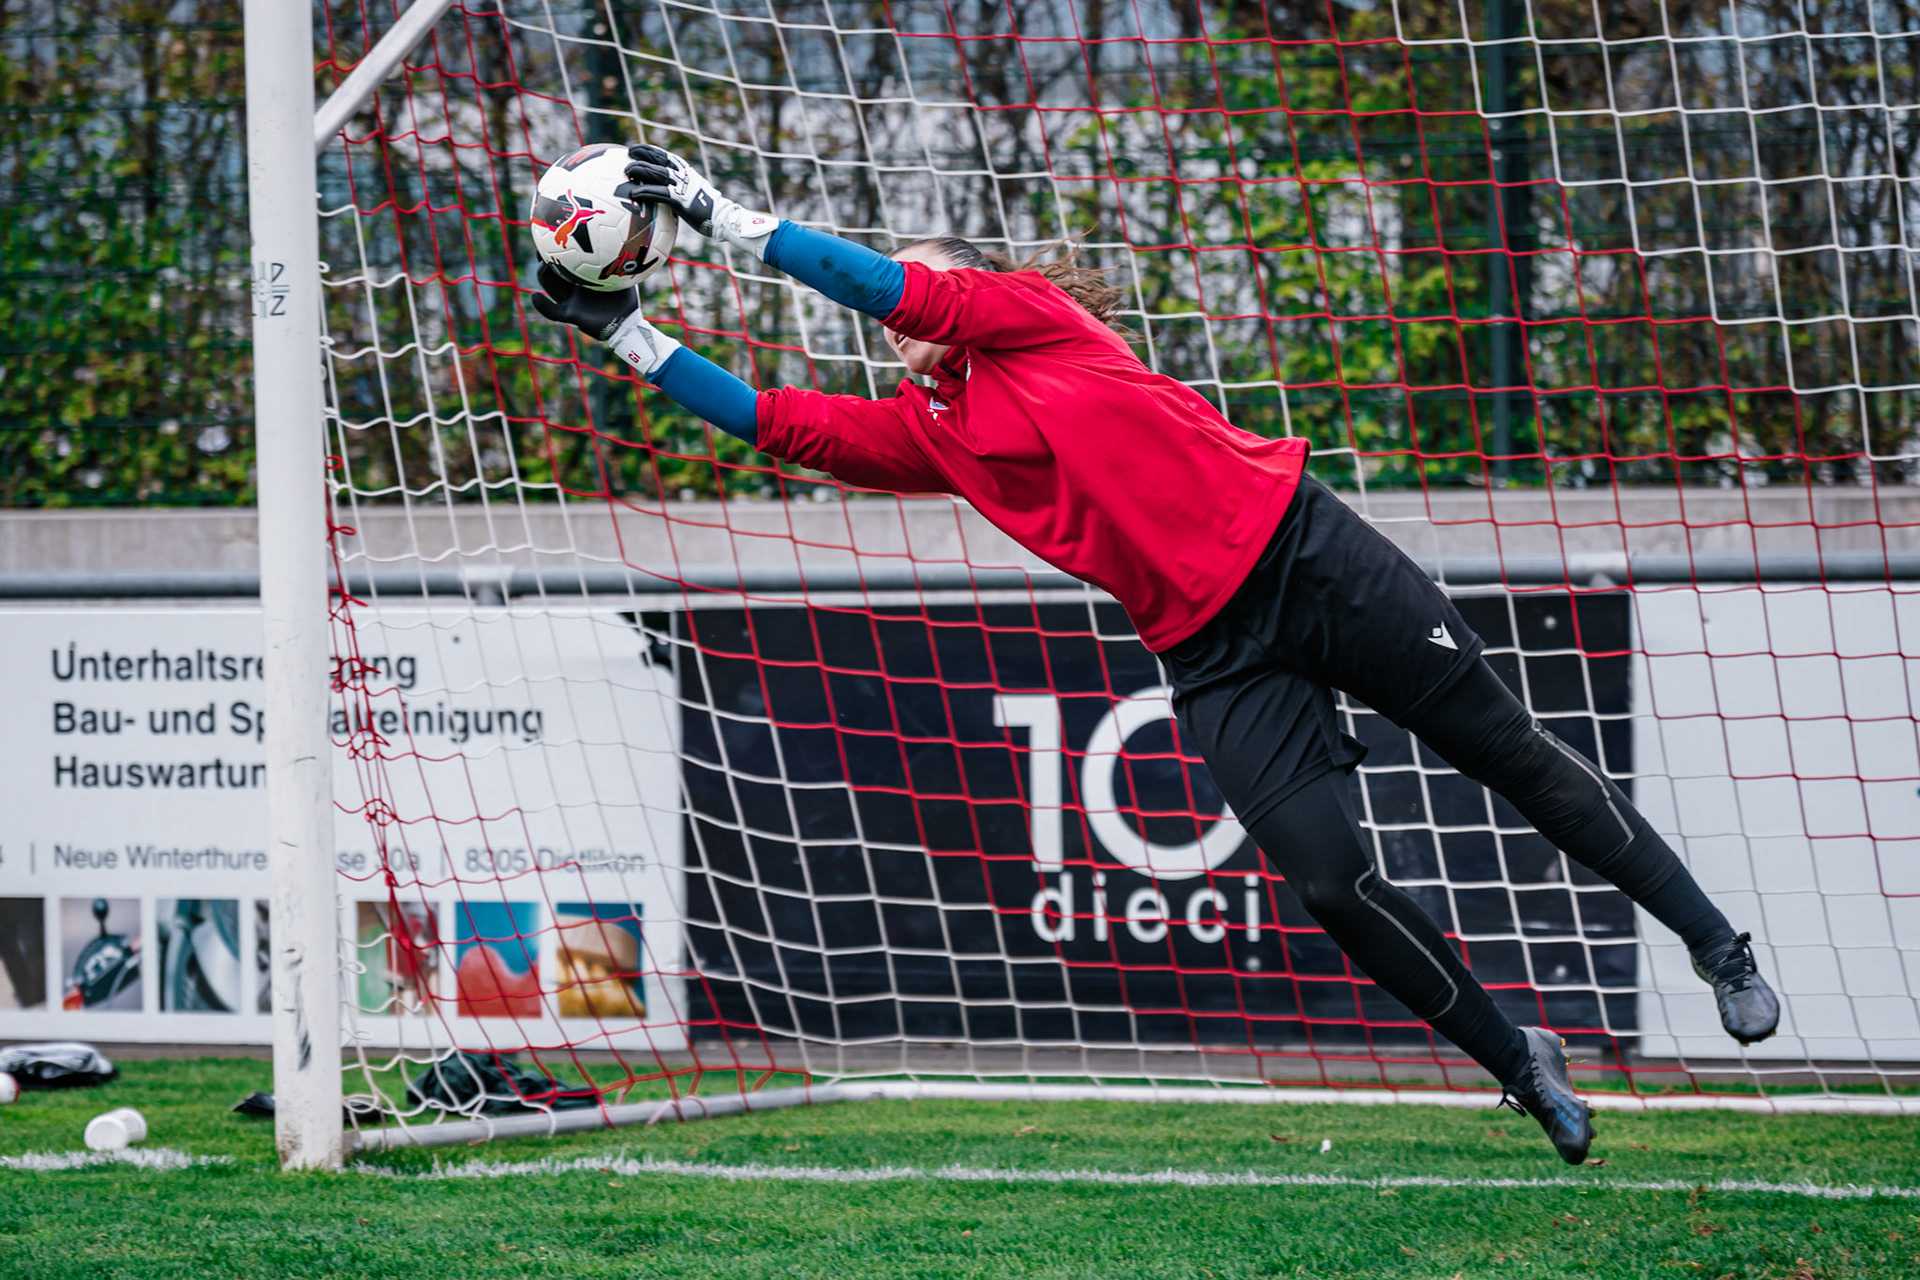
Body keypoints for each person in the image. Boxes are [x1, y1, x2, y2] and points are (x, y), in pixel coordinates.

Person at [531, 144, 1781, 1165]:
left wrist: (716, 215)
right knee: (1332, 882)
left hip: (1304, 550)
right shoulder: (932, 426)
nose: (895, 305)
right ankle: (1523, 1064)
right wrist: (629, 336)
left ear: (966, 281)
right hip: (1209, 648)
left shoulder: (1026, 319)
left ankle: (1715, 940)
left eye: (912, 280)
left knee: (1506, 749)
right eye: (891, 287)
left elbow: (895, 292)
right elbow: (786, 424)